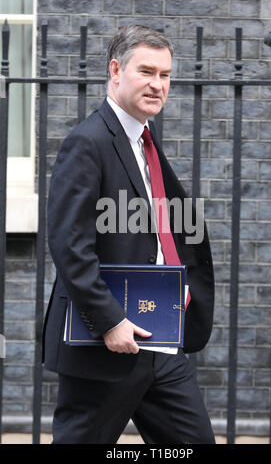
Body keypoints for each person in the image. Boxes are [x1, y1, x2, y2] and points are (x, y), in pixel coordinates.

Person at [43, 24, 215, 444]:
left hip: (159, 339)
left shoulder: (143, 140)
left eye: (166, 75)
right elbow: (70, 245)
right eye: (147, 72)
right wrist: (110, 321)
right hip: (105, 345)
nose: (158, 85)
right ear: (116, 70)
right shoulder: (88, 142)